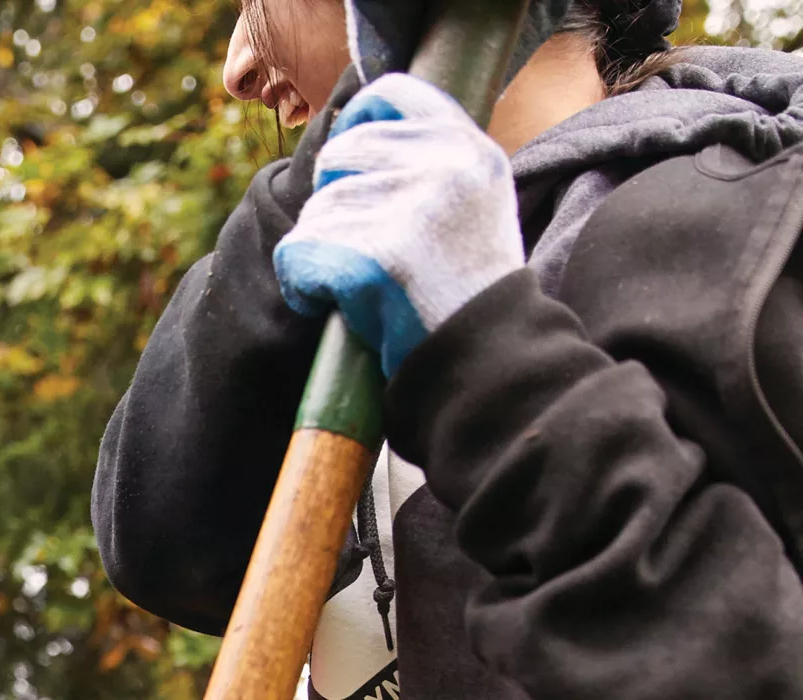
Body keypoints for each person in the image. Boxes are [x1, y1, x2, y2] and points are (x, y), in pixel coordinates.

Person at [93, 0, 803, 698]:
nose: (237, 69)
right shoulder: (334, 262)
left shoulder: (759, 223)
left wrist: (487, 358)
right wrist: (340, 157)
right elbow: (165, 547)